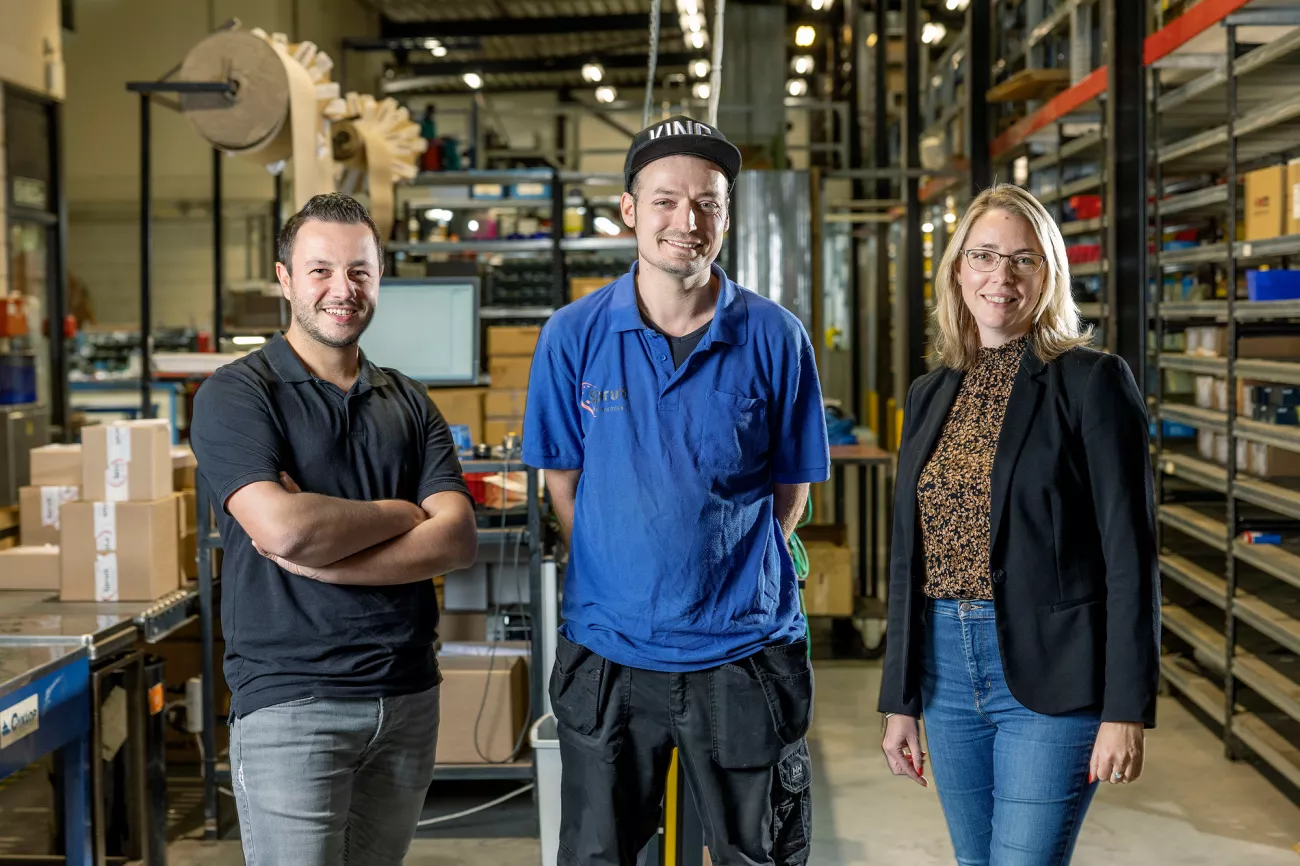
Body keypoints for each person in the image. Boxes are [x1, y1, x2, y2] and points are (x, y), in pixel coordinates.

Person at [523, 116, 829, 865]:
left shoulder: (775, 337)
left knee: (755, 856)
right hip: (610, 654)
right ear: (629, 210)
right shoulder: (573, 335)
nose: (685, 222)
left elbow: (790, 492)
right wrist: (621, 567)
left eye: (707, 203)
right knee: (598, 856)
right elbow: (561, 481)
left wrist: (727, 572)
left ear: (727, 214)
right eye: (664, 201)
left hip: (744, 651)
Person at [189, 193, 478, 865]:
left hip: (408, 696)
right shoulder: (237, 394)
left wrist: (328, 555)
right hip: (295, 702)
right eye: (319, 271)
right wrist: (401, 513)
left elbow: (457, 538)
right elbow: (285, 530)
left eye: (359, 272)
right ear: (285, 279)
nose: (341, 291)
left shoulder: (407, 399)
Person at [878, 183, 1160, 866]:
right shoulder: (930, 392)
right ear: (956, 270)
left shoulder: (1092, 382)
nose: (1000, 277)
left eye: (1024, 260)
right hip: (944, 667)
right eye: (983, 256)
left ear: (1049, 274)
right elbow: (907, 558)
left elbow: (1131, 557)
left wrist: (1126, 709)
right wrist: (900, 699)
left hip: (1052, 676)